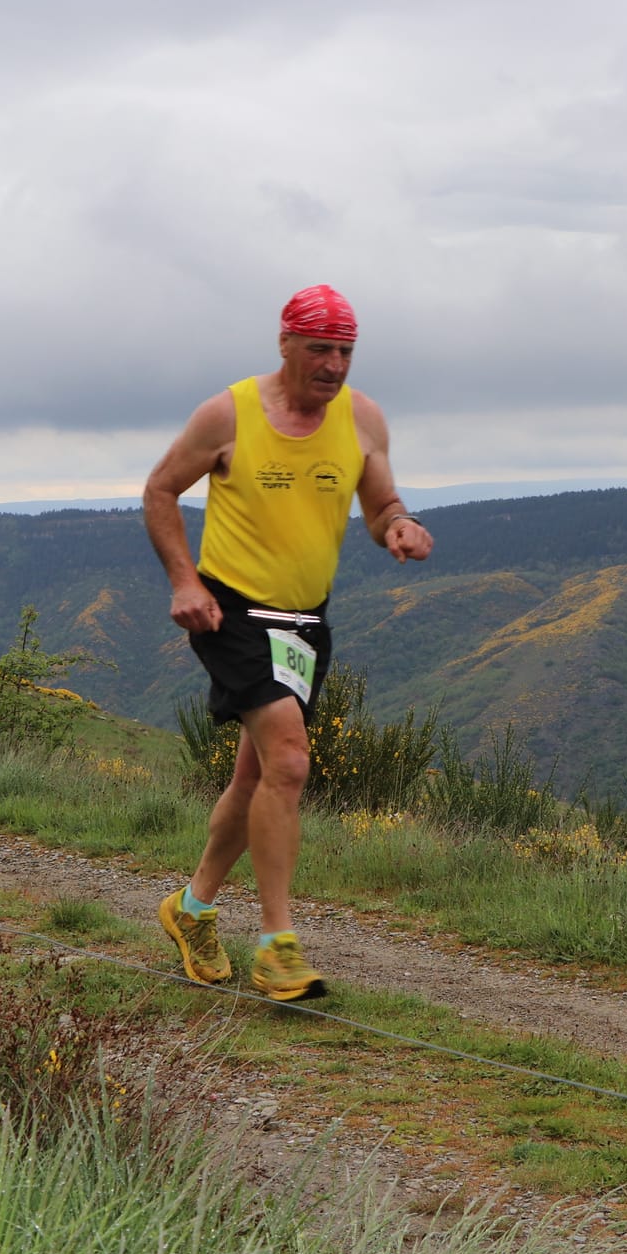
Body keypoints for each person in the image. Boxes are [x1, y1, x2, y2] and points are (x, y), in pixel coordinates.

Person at [143, 284, 433, 1001]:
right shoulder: (229, 414)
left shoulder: (362, 419)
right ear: (285, 344)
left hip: (306, 623)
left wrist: (396, 524)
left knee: (257, 779)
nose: (334, 365)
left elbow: (378, 503)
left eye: (345, 351)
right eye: (320, 349)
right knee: (291, 763)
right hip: (231, 612)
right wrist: (186, 581)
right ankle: (277, 944)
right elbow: (159, 490)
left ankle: (193, 909)